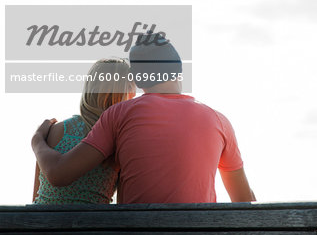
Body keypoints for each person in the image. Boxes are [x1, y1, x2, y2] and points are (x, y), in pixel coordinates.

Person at [32, 33, 255, 203]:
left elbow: (59, 175)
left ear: (137, 81)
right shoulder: (220, 121)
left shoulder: (119, 114)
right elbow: (245, 201)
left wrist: (37, 142)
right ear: (179, 71)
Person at [32, 58, 136, 204]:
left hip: (39, 223)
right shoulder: (119, 140)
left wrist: (36, 139)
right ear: (125, 91)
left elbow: (37, 196)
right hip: (91, 225)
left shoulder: (55, 131)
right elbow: (124, 205)